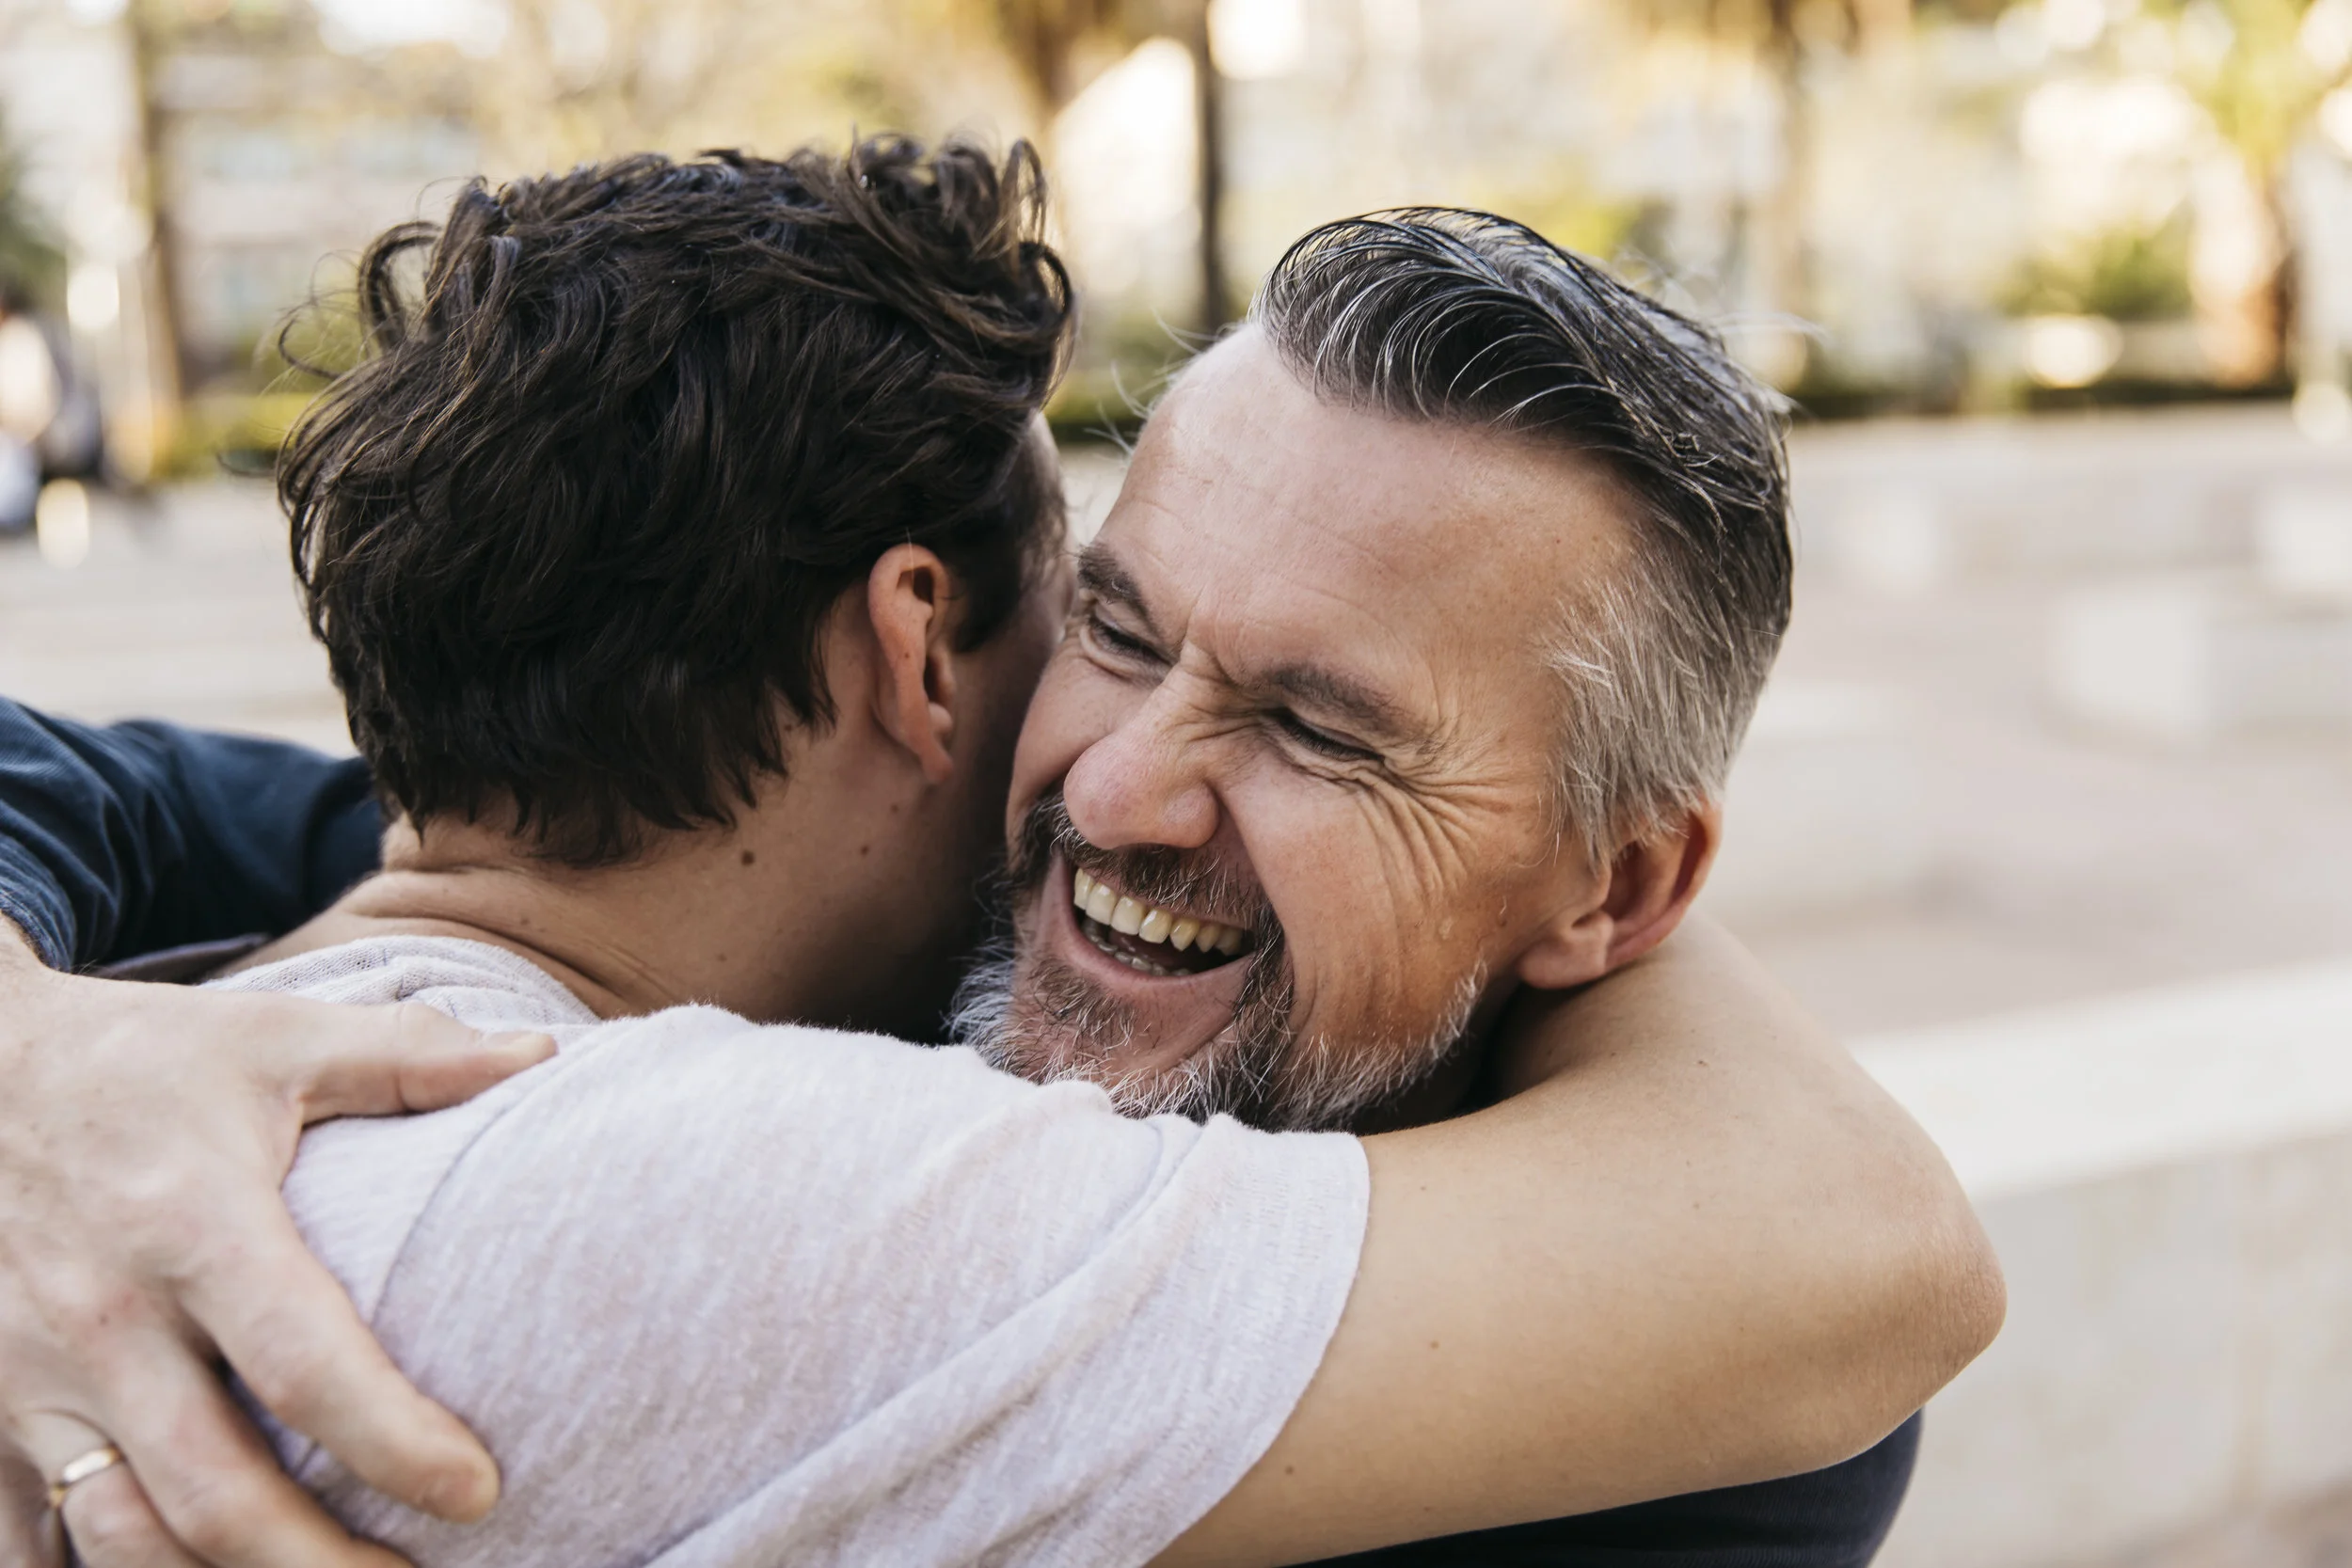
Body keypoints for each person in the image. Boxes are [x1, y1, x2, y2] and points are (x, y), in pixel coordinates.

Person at [0, 138, 2000, 1568]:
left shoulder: (1666, 1431)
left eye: (1315, 723)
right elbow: (1843, 1266)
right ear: (908, 650)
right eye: (1108, 622)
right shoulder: (675, 1149)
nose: (1118, 787)